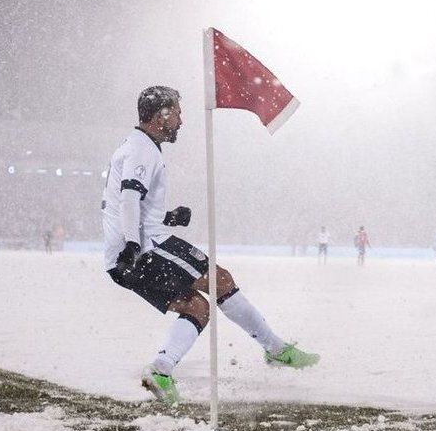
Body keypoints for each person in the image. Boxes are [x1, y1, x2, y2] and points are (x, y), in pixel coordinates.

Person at [103, 86, 320, 404]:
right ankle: (276, 350)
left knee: (198, 308)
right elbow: (129, 197)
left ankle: (161, 370)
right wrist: (133, 245)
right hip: (145, 250)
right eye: (176, 111)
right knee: (222, 280)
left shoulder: (136, 146)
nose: (180, 119)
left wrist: (167, 216)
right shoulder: (142, 150)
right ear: (161, 115)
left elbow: (128, 201)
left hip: (123, 258)